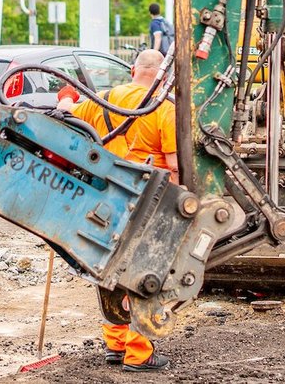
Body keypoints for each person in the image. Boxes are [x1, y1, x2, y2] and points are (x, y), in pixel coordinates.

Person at [57, 49, 176, 371]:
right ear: (161, 76)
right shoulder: (164, 109)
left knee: (108, 270)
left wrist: (66, 97)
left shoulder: (104, 100)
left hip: (106, 201)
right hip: (147, 202)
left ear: (134, 69)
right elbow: (175, 167)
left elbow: (68, 118)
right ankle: (139, 353)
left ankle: (116, 343)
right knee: (141, 273)